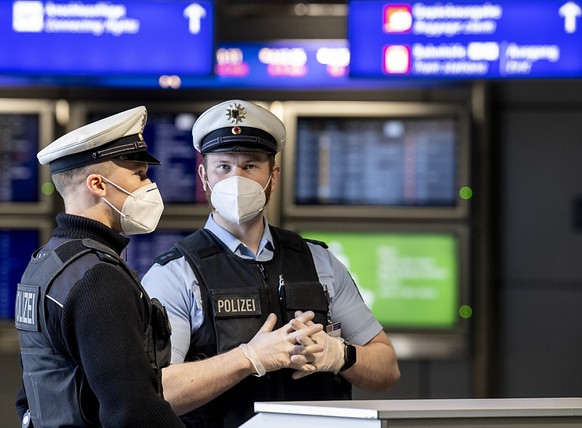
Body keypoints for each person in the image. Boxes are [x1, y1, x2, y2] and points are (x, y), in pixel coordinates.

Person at [142, 99, 401, 428]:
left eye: (250, 167)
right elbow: (157, 394)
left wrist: (339, 354)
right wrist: (249, 358)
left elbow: (387, 368)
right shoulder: (175, 274)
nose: (236, 179)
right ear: (204, 176)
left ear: (273, 176)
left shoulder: (317, 261)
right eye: (223, 167)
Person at [14, 106, 186, 427]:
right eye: (140, 175)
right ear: (98, 184)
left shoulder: (44, 262)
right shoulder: (98, 277)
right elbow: (133, 411)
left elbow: (29, 396)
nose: (149, 186)